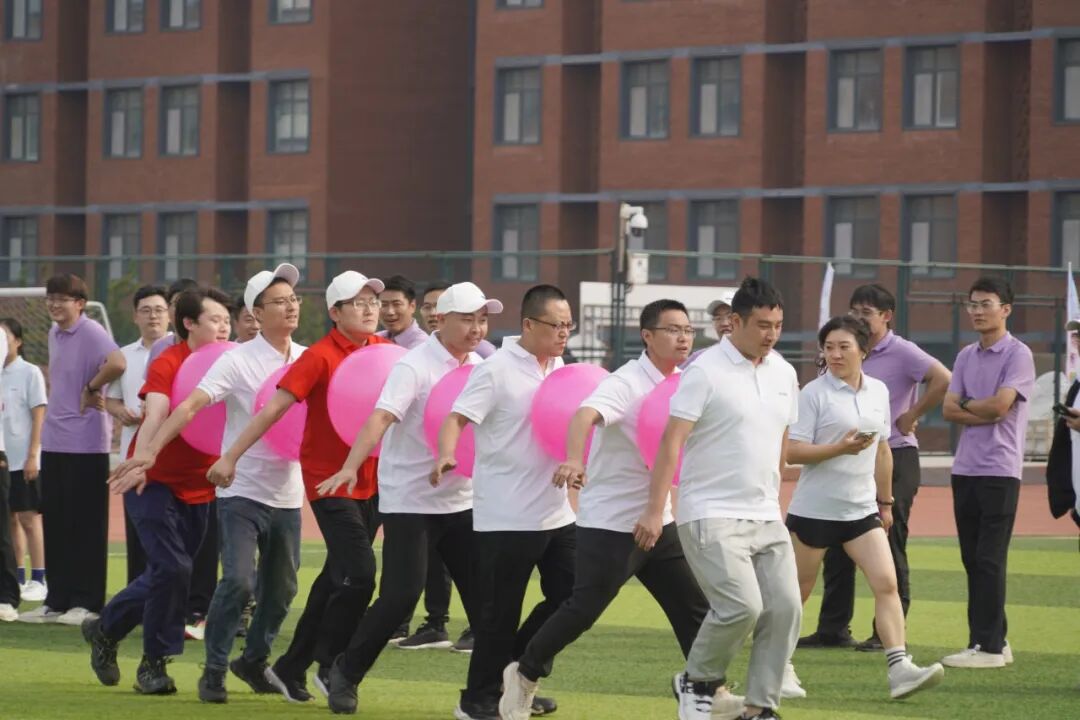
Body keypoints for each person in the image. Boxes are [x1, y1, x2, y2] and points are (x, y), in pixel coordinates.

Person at [499, 300, 714, 720]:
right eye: (673, 330)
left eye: (688, 330)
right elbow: (583, 415)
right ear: (647, 336)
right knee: (582, 611)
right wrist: (574, 459)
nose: (684, 338)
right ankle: (523, 674)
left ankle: (705, 687)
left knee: (695, 609)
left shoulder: (684, 382)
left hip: (657, 518)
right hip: (611, 524)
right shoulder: (627, 382)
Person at [113, 263, 307, 701]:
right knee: (238, 580)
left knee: (282, 591)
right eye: (280, 301)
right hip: (239, 489)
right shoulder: (236, 360)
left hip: (288, 493)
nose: (291, 307)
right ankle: (214, 669)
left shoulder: (306, 357)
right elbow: (188, 407)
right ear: (257, 313)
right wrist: (149, 451)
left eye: (294, 299)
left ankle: (252, 660)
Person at [317, 281, 502, 715]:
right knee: (400, 595)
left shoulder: (481, 366)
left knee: (487, 602)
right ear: (441, 320)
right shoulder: (414, 365)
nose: (477, 329)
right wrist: (350, 465)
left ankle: (504, 689)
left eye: (482, 320)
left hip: (461, 501)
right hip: (410, 502)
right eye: (468, 319)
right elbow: (381, 416)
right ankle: (346, 672)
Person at [205, 270, 389, 703]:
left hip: (374, 480)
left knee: (332, 577)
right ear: (335, 312)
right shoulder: (319, 357)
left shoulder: (385, 354)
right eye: (358, 302)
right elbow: (272, 411)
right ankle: (332, 664)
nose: (369, 310)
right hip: (329, 481)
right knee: (361, 575)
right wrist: (231, 456)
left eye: (373, 302)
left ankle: (289, 666)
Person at [638, 277, 800, 720]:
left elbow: (782, 438)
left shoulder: (785, 372)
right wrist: (654, 509)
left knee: (785, 609)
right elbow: (672, 441)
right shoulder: (705, 370)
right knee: (741, 607)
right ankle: (697, 680)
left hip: (765, 513)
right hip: (710, 512)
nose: (771, 334)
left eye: (778, 325)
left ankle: (760, 707)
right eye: (762, 325)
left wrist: (775, 492)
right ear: (735, 323)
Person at [433, 284, 576, 720]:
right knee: (499, 616)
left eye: (569, 325)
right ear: (529, 324)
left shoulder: (560, 368)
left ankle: (518, 672)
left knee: (574, 596)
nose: (564, 333)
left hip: (556, 511)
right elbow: (456, 417)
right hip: (506, 515)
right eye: (556, 325)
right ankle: (476, 700)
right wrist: (447, 453)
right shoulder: (495, 370)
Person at [785, 315, 945, 700]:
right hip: (815, 510)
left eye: (844, 347)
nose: (835, 354)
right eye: (829, 347)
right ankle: (779, 666)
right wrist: (839, 448)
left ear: (863, 350)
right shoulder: (813, 393)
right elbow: (792, 451)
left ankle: (900, 669)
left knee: (887, 584)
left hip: (861, 511)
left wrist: (885, 503)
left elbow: (883, 450)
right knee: (795, 593)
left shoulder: (878, 391)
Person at [83, 287, 233, 695]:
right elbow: (157, 412)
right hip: (150, 479)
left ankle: (104, 629)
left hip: (200, 487)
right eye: (215, 320)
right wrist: (144, 457)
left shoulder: (234, 361)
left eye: (227, 321)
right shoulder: (169, 361)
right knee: (174, 569)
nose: (224, 327)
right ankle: (154, 665)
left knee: (167, 573)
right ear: (189, 324)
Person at [18, 274, 126, 626]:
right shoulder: (55, 332)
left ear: (80, 304)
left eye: (62, 298)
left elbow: (118, 362)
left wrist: (92, 387)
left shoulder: (91, 331)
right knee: (58, 522)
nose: (54, 304)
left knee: (86, 524)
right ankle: (57, 600)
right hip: (55, 440)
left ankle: (87, 601)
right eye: (51, 298)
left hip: (86, 443)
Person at [941, 276, 1035, 669]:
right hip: (965, 469)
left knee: (989, 559)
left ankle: (987, 647)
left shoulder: (1018, 354)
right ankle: (997, 639)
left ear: (1006, 309)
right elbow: (948, 409)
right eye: (973, 304)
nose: (977, 311)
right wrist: (977, 406)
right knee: (972, 558)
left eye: (986, 304)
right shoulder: (965, 356)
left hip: (999, 469)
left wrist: (969, 404)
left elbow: (1000, 408)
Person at [106, 285, 170, 587]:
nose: (153, 316)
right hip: (132, 456)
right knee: (138, 533)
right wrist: (121, 412)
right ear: (135, 316)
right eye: (146, 310)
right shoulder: (124, 356)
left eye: (159, 310)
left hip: (169, 455)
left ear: (169, 315)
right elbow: (111, 399)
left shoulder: (180, 351)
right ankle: (137, 599)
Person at [1, 318, 48, 606]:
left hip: (23, 457)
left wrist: (33, 455)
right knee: (9, 520)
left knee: (29, 518)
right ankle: (17, 575)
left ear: (18, 342)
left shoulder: (29, 372)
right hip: (3, 459)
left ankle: (39, 578)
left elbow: (38, 415)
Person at [147, 278, 200, 366]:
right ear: (168, 308)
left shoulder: (206, 346)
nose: (181, 309)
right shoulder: (159, 348)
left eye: (187, 303)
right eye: (177, 303)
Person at [683, 291, 735, 367]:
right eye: (718, 318)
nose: (724, 323)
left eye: (730, 317)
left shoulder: (752, 357)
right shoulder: (699, 358)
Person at [377, 275, 427, 349]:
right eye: (384, 305)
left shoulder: (422, 345)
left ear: (412, 306)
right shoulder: (375, 340)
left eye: (397, 304)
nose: (390, 312)